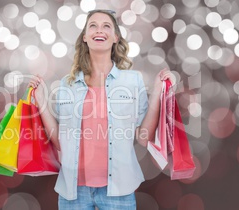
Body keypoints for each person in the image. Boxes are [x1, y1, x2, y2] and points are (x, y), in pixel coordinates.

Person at [28, 9, 172, 210]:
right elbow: (61, 141)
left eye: (106, 26)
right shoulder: (66, 85)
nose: (99, 30)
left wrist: (157, 93)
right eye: (93, 26)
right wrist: (41, 102)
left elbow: (143, 137)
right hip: (73, 192)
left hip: (118, 191)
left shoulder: (132, 81)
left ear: (115, 37)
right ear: (85, 37)